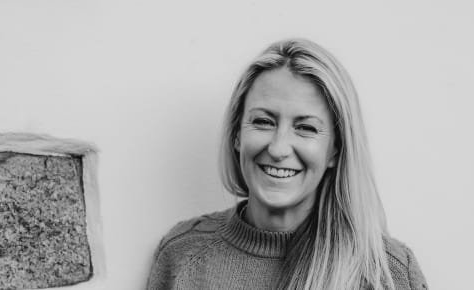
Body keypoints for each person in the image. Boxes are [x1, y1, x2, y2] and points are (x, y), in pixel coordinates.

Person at [146, 38, 428, 290]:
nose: (278, 148)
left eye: (306, 128)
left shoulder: (388, 274)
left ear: (335, 149)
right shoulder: (182, 255)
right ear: (236, 134)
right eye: (263, 122)